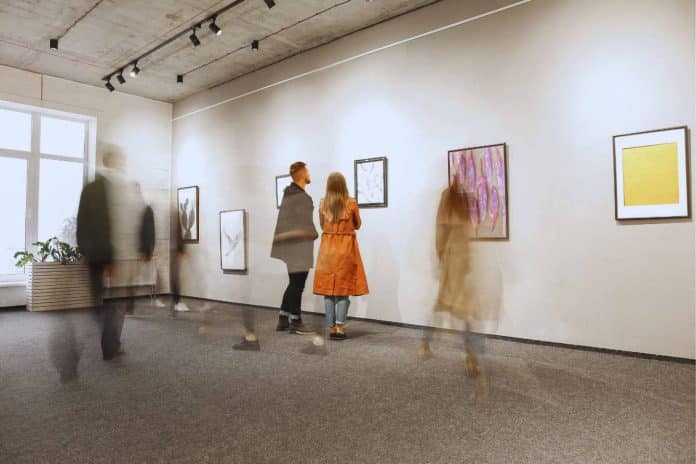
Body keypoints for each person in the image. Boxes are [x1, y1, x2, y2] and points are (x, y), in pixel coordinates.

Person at [420, 179, 489, 399]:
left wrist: (448, 257)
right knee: (455, 307)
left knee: (453, 307)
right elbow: (442, 233)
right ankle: (468, 355)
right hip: (455, 261)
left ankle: (430, 343)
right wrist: (443, 258)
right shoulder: (451, 198)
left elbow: (448, 232)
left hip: (459, 260)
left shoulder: (459, 199)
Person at [313, 172, 368, 340]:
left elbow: (322, 226)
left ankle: (331, 328)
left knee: (328, 291)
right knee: (343, 290)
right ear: (344, 185)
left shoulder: (323, 203)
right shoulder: (351, 202)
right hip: (345, 249)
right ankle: (340, 328)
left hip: (327, 250)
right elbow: (358, 224)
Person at [76, 159, 122, 361]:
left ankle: (110, 343)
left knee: (98, 299)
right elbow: (107, 226)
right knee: (111, 304)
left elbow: (81, 223)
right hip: (104, 253)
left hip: (93, 254)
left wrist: (84, 251)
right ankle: (110, 344)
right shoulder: (108, 190)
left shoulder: (89, 189)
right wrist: (111, 258)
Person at [270, 161, 318, 335]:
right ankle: (296, 320)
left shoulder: (290, 195)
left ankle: (283, 318)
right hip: (299, 247)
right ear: (302, 174)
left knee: (294, 283)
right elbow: (304, 224)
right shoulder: (301, 198)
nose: (309, 174)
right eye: (308, 171)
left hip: (290, 247)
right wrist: (314, 233)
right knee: (298, 284)